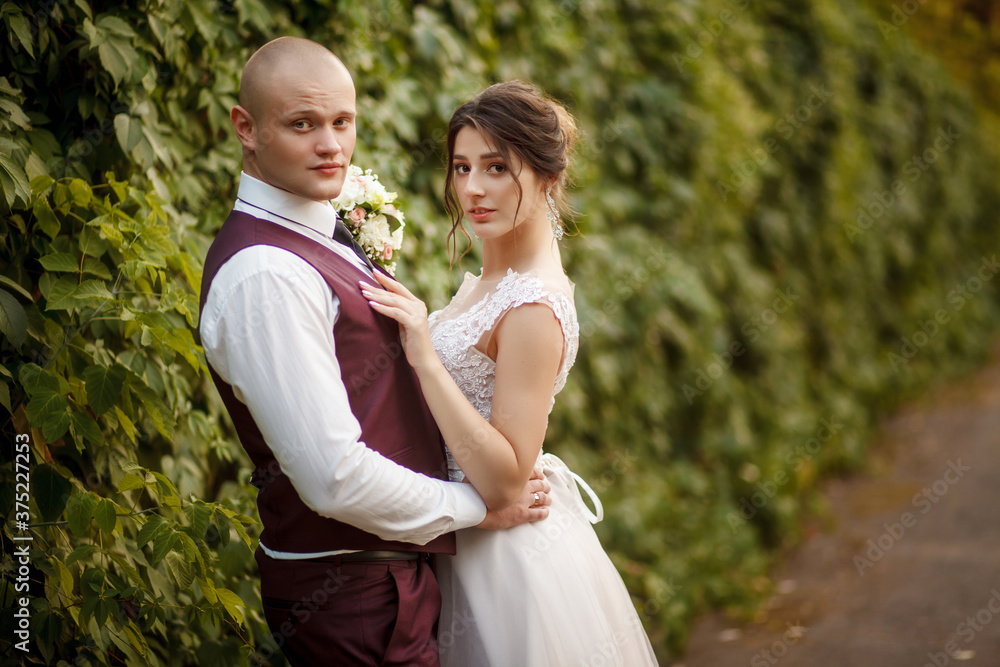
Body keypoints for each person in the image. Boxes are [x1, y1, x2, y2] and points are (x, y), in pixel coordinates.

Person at [198, 38, 552, 667]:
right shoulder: (266, 277)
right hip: (351, 598)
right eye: (302, 124)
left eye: (342, 122)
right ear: (245, 129)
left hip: (390, 581)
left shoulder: (316, 227)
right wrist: (475, 509)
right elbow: (334, 478)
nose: (331, 145)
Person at [363, 80, 658, 666]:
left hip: (502, 561)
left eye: (497, 167)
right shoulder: (492, 283)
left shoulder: (531, 306)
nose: (472, 188)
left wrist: (422, 353)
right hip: (458, 539)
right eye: (462, 166)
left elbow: (504, 479)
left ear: (547, 177)